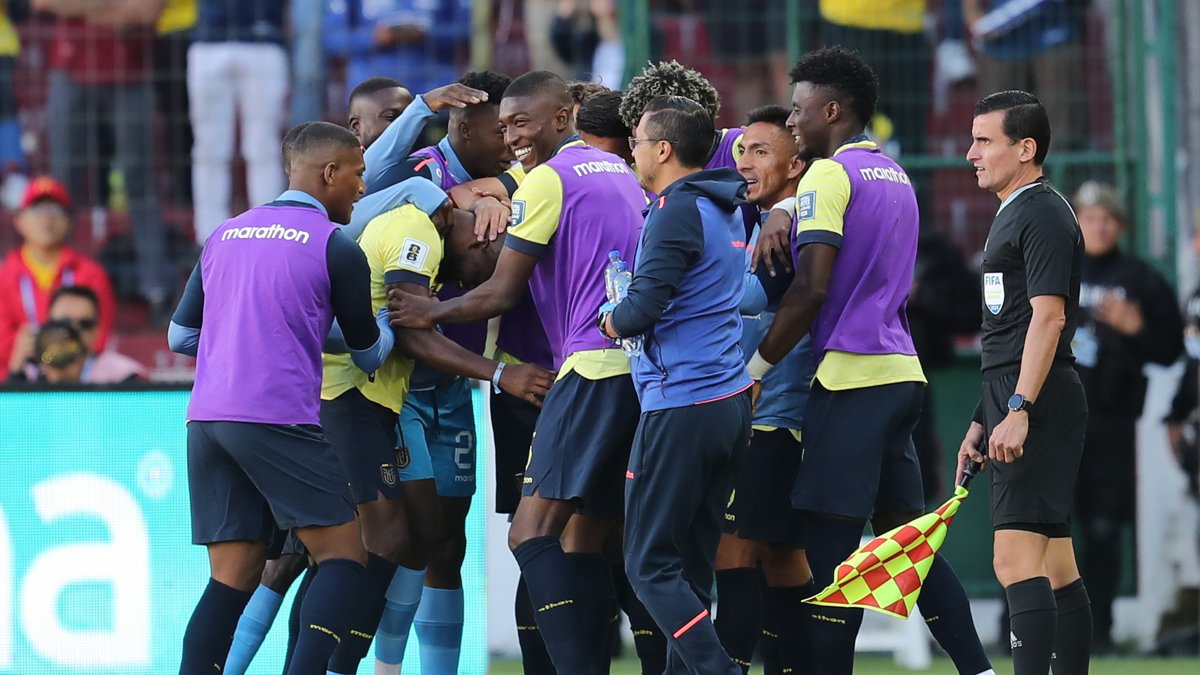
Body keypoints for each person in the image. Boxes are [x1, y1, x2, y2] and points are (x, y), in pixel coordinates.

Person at [388, 70, 645, 675]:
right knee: (593, 540)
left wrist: (433, 309)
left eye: (522, 124)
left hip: (581, 374)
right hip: (635, 373)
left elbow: (501, 290)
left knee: (530, 534)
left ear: (563, 118)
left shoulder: (550, 180)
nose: (512, 139)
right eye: (504, 127)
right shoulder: (625, 174)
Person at [748, 47, 991, 675]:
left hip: (852, 379)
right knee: (906, 544)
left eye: (800, 109)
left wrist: (755, 369)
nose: (793, 123)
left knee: (832, 551)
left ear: (832, 110)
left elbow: (811, 288)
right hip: (902, 374)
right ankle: (981, 670)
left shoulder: (831, 177)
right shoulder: (896, 175)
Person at [167, 121, 390, 675]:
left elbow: (180, 337)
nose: (361, 188)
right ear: (329, 173)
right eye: (358, 174)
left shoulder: (226, 232)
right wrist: (390, 323)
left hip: (208, 419)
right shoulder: (336, 247)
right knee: (343, 555)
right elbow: (368, 355)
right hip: (275, 418)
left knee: (232, 576)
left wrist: (262, 333)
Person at [596, 94, 751, 675]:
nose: (631, 152)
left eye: (635, 142)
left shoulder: (676, 209)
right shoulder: (723, 207)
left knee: (648, 567)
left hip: (682, 404)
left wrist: (607, 318)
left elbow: (639, 312)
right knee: (689, 567)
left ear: (662, 149)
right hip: (727, 402)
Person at [956, 90, 1091, 675]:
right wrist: (985, 418)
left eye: (985, 140)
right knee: (1056, 563)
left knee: (1013, 561)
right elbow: (1008, 328)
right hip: (1016, 396)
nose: (970, 153)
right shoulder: (1016, 211)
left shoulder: (1041, 212)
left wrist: (1018, 405)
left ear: (1026, 148)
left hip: (1036, 397)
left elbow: (1049, 316)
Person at [712, 105, 814, 674]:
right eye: (741, 151)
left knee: (735, 553)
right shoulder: (758, 213)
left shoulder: (794, 225)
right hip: (770, 410)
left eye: (761, 153)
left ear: (797, 163)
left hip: (774, 410)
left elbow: (756, 299)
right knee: (782, 559)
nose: (744, 162)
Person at [1069, 181, 1182, 653]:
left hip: (1112, 423)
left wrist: (1134, 328)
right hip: (1052, 419)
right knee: (1038, 526)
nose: (1097, 226)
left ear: (1120, 226)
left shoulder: (1140, 279)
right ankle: (1025, 629)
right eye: (1089, 217)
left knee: (1103, 529)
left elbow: (1170, 349)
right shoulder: (1054, 267)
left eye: (1107, 219)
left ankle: (1099, 633)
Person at [38, 0, 174, 316]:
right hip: (71, 69)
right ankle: (57, 286)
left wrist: (81, 8)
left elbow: (145, 11)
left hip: (129, 73)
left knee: (141, 184)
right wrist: (113, 7)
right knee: (62, 186)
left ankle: (156, 290)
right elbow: (43, 3)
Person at [188, 0, 288, 244]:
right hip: (209, 40)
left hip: (263, 39)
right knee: (209, 149)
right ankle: (209, 241)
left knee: (263, 147)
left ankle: (268, 234)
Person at [0, 177, 115, 371]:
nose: (46, 219)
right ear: (19, 221)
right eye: (37, 210)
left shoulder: (91, 274)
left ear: (68, 221)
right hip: (18, 382)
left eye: (55, 210)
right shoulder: (4, 276)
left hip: (77, 378)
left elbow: (99, 335)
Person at [323, 0, 472, 111]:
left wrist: (427, 34)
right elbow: (334, 39)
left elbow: (470, 31)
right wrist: (375, 37)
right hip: (372, 98)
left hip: (435, 91)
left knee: (433, 152)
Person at [49, 286, 145, 383]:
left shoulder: (123, 376)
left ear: (97, 331)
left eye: (85, 324)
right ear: (47, 326)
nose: (75, 332)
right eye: (65, 323)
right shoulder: (34, 372)